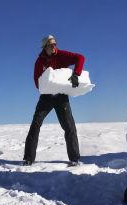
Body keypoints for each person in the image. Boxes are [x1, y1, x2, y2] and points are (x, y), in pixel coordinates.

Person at [23, 35, 85, 166]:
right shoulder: (40, 61)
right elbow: (36, 80)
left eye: (55, 44)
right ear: (45, 47)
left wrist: (76, 74)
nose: (54, 47)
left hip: (61, 96)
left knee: (69, 126)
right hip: (46, 97)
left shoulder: (61, 55)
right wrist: (46, 87)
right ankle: (28, 158)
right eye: (51, 45)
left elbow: (80, 58)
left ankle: (74, 159)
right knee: (35, 124)